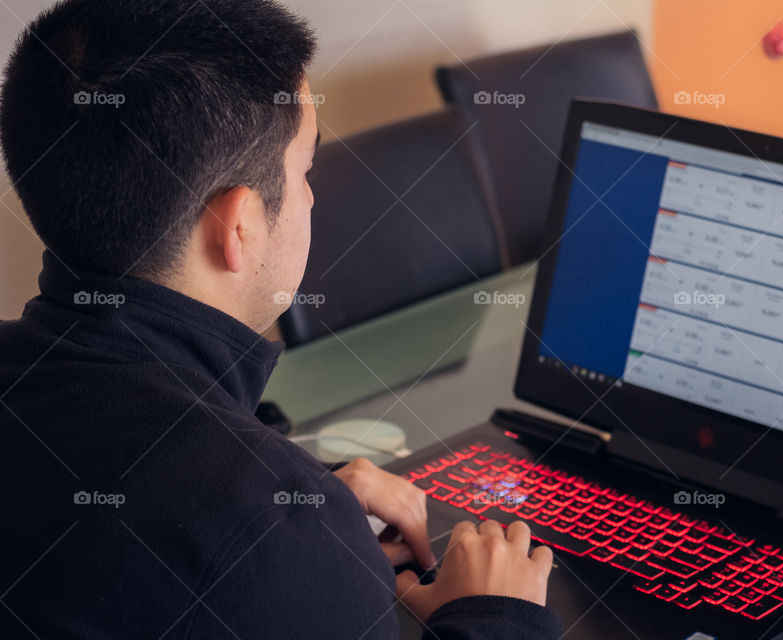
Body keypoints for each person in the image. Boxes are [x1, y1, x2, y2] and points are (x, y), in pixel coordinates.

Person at [0, 1, 562, 638]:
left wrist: (298, 496)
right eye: (306, 170)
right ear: (236, 227)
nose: (313, 195)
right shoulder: (275, 553)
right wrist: (497, 617)